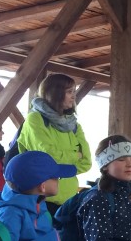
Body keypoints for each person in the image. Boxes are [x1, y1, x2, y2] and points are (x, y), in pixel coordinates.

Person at [15, 73, 91, 214]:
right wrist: (75, 156)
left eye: (74, 92)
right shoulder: (35, 119)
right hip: (40, 200)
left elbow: (86, 162)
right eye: (69, 92)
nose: (73, 96)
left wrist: (58, 163)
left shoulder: (74, 125)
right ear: (55, 93)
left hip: (69, 202)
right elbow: (47, 157)